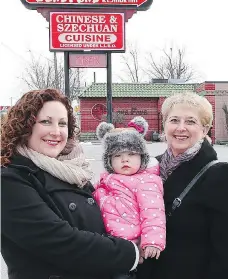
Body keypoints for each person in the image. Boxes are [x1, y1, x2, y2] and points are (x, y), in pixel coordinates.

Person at [1, 89, 140, 279]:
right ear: (25, 126)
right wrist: (130, 253)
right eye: (46, 121)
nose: (56, 132)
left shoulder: (72, 171)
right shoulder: (10, 179)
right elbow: (60, 242)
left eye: (63, 123)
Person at [137, 92, 228, 279]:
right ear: (165, 124)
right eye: (174, 120)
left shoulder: (219, 175)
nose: (181, 128)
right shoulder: (149, 168)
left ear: (205, 129)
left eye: (191, 122)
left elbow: (226, 250)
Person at [93, 117, 166, 278]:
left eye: (131, 154)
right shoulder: (106, 180)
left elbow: (153, 212)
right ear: (109, 161)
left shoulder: (146, 181)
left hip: (131, 244)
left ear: (142, 157)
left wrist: (152, 241)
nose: (125, 159)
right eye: (118, 155)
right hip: (108, 244)